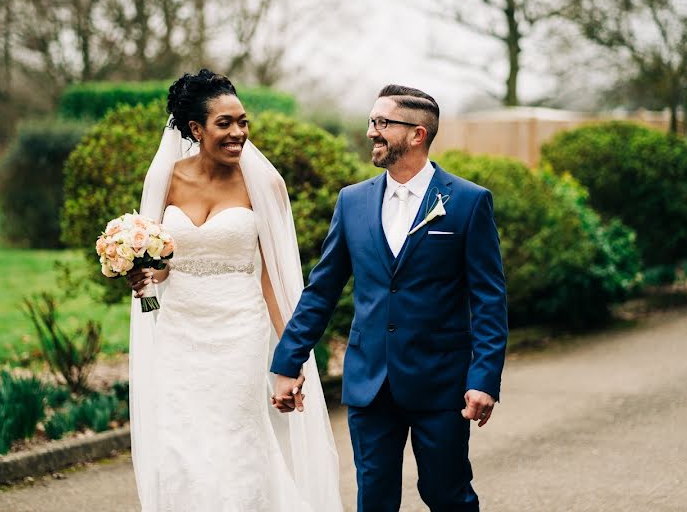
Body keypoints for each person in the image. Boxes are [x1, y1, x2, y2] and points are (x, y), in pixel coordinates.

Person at [271, 84, 508, 511]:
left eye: (382, 123)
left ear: (417, 134)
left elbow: (489, 299)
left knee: (447, 494)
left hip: (440, 382)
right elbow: (322, 290)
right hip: (370, 382)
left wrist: (484, 379)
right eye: (371, 121)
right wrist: (288, 363)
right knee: (374, 499)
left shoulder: (468, 203)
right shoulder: (352, 201)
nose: (371, 132)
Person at [126, 69, 341, 511]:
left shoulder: (266, 185)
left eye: (242, 121)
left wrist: (292, 354)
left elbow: (274, 279)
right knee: (178, 445)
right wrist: (145, 275)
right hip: (179, 330)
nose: (238, 132)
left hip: (240, 329)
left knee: (235, 440)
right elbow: (164, 267)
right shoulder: (166, 180)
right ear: (195, 129)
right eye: (225, 123)